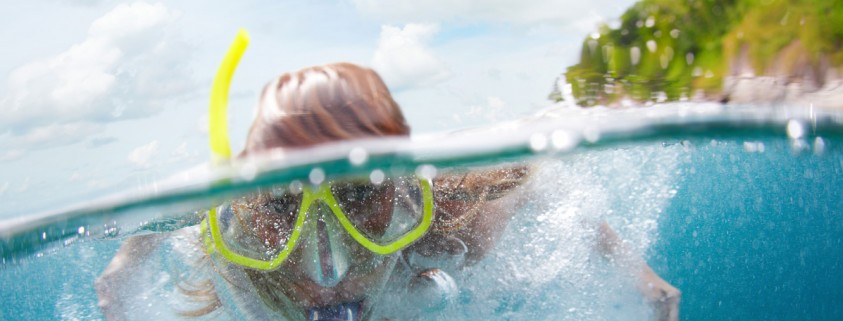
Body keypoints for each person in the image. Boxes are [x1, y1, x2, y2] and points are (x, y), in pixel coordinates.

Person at [96, 61, 679, 321]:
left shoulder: (455, 222)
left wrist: (646, 282)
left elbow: (543, 182)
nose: (327, 272)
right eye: (279, 208)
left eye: (357, 203)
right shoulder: (241, 254)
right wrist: (120, 274)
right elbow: (164, 219)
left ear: (400, 201)